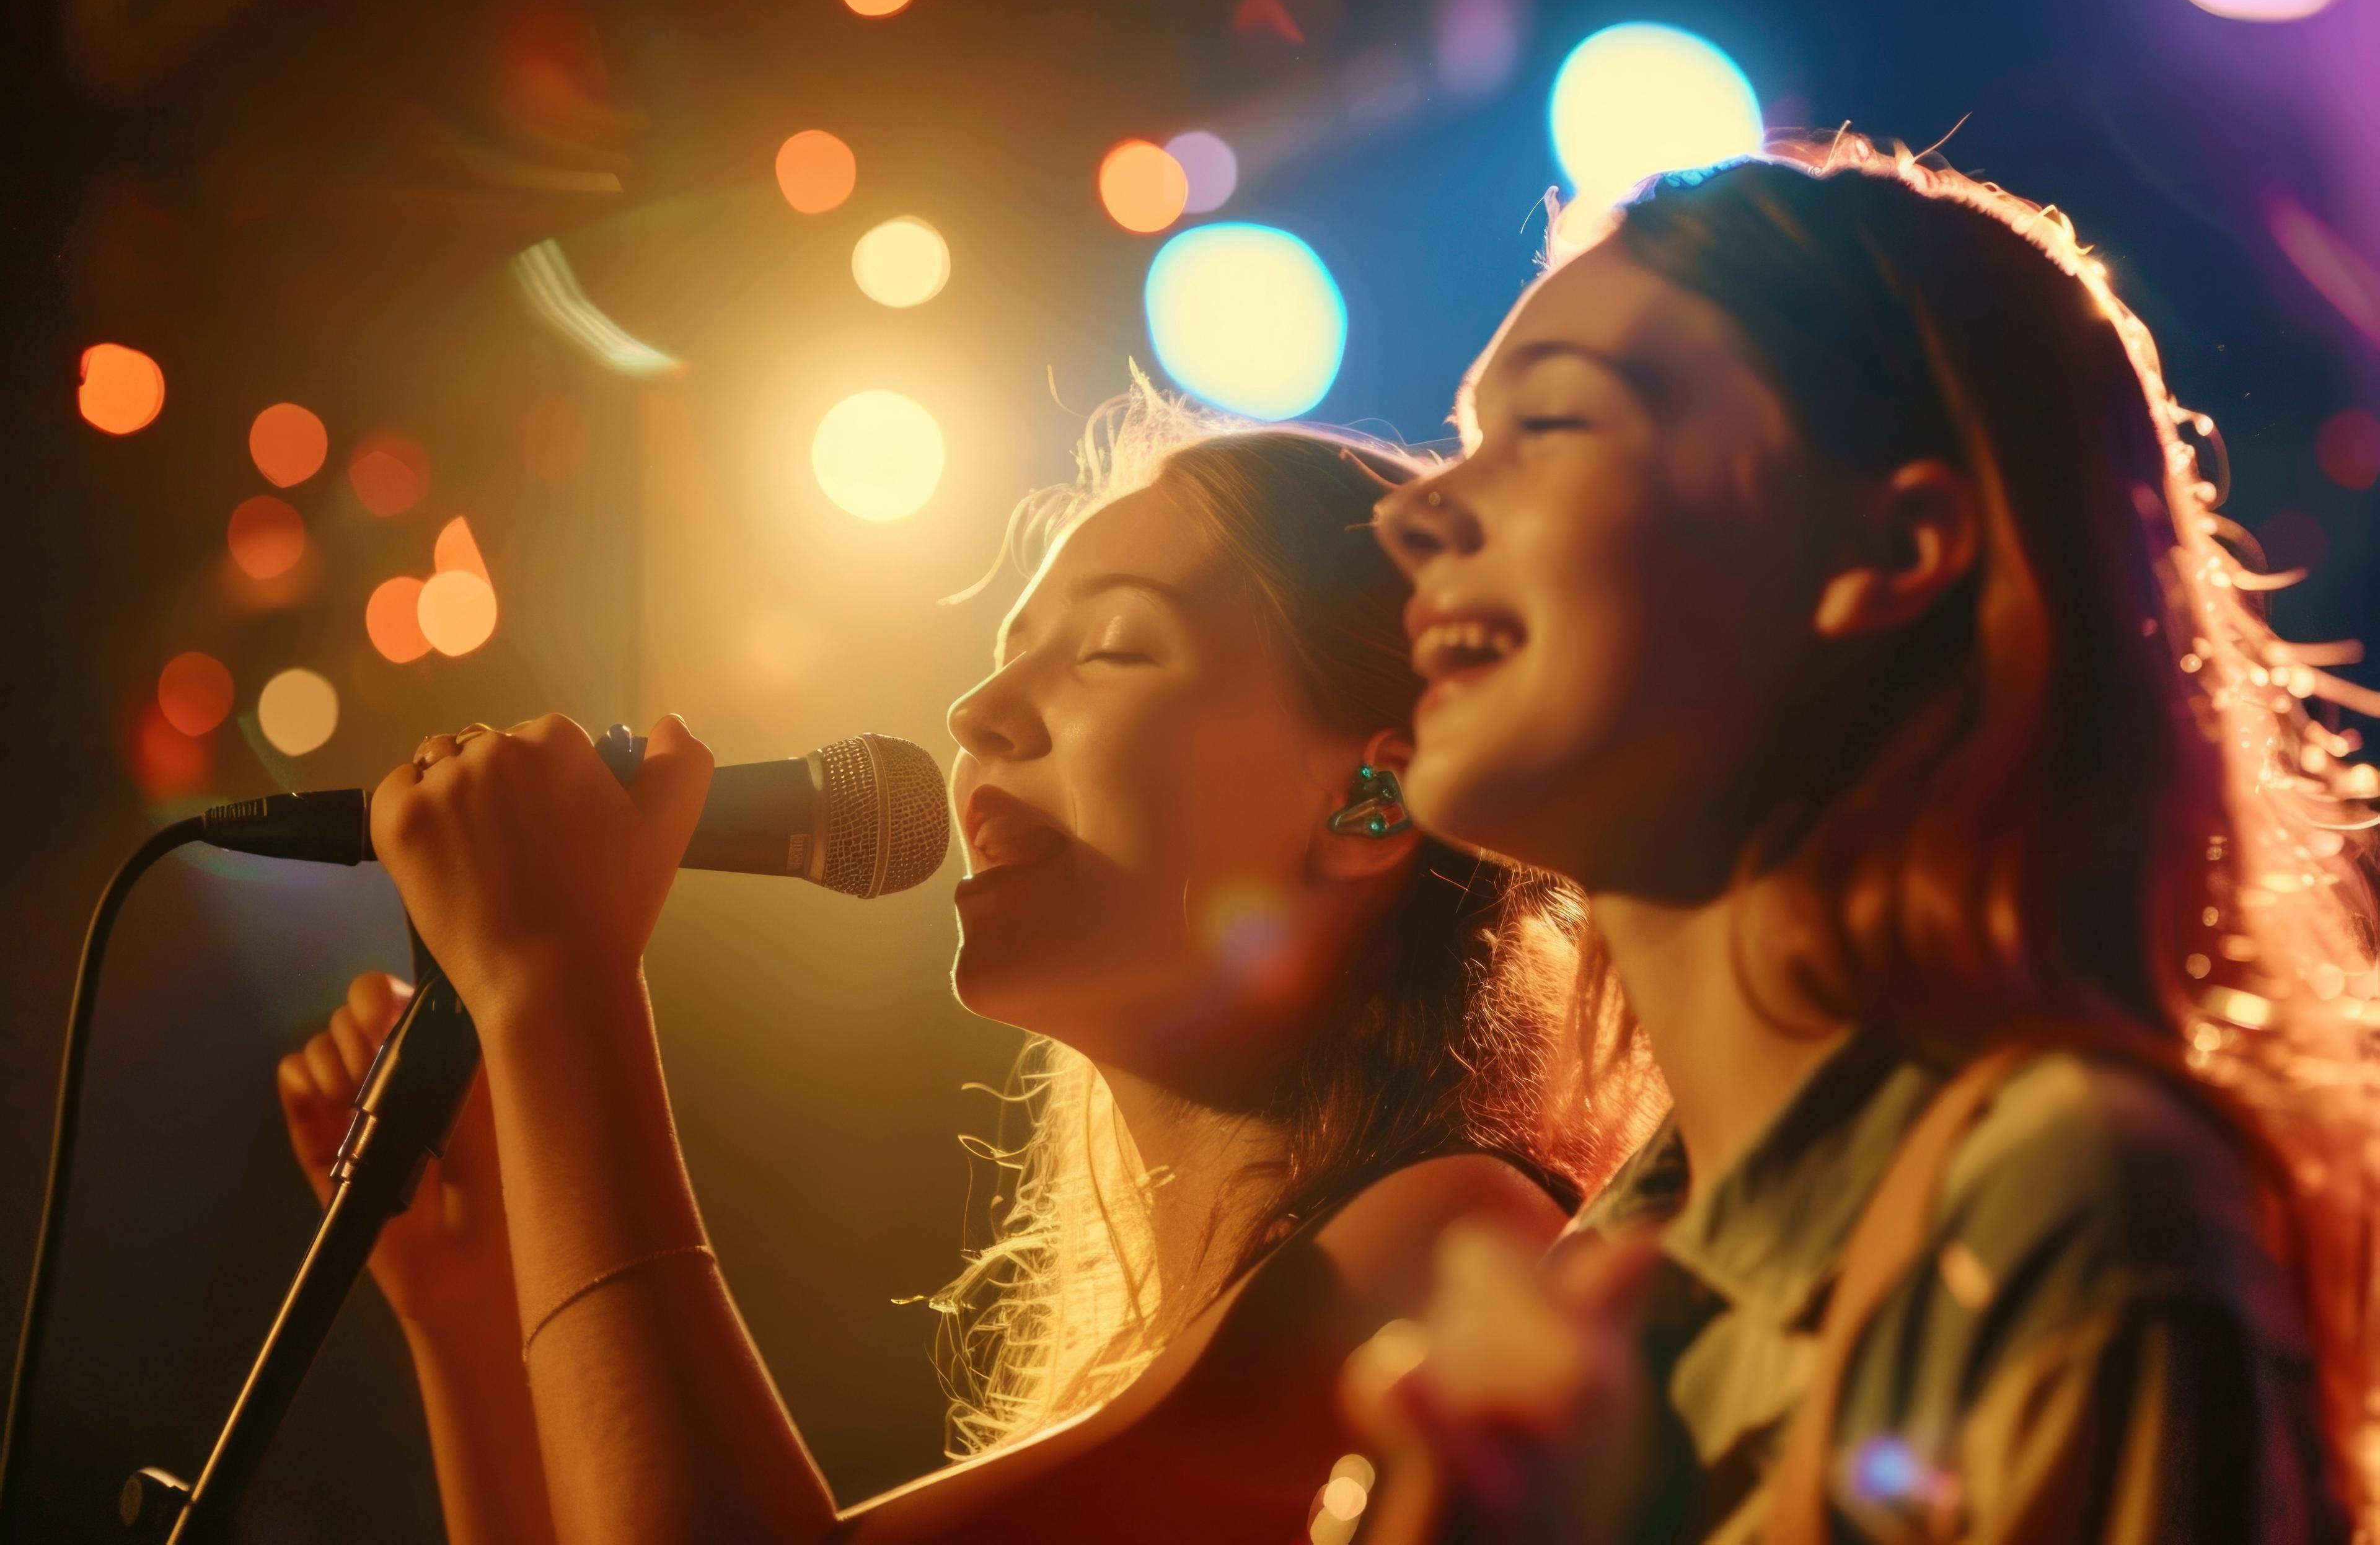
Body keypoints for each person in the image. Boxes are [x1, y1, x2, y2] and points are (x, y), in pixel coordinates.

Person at [276, 386, 1621, 1543]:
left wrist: (554, 987)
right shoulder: (1223, 1330)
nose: (974, 716)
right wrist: (471, 1306)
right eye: (996, 664)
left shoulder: (1460, 1246)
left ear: (1372, 798)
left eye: (1111, 647)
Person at [1344, 134, 2377, 1544]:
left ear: (1894, 553)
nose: (1417, 511)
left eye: (1555, 425)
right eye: (1468, 440)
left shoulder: (2058, 1200)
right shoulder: (1611, 1273)